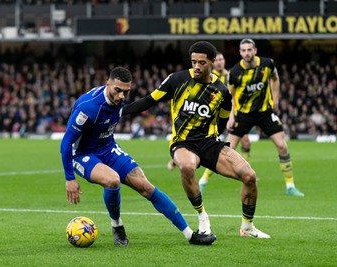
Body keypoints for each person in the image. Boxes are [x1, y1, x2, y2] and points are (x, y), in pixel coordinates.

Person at [123, 41, 270, 238]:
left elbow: (223, 121)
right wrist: (119, 111)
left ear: (212, 62)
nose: (197, 67)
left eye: (202, 62)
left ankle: (248, 227)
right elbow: (149, 101)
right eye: (194, 62)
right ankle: (202, 216)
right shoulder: (177, 80)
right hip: (183, 142)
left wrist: (215, 142)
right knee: (187, 167)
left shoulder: (222, 91)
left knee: (250, 176)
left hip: (209, 143)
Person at [60, 66, 216, 247]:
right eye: (117, 90)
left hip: (109, 148)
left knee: (146, 186)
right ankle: (117, 224)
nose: (121, 96)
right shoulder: (88, 106)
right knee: (112, 180)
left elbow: (145, 102)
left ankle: (190, 235)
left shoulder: (120, 102)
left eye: (125, 92)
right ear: (107, 84)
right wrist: (69, 178)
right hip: (82, 154)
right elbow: (66, 143)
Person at [226, 38, 304, 197]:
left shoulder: (268, 64)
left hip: (265, 113)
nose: (247, 53)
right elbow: (231, 97)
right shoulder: (234, 72)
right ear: (240, 53)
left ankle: (290, 186)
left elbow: (275, 79)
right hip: (244, 114)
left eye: (249, 50)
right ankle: (203, 181)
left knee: (282, 146)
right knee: (226, 149)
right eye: (243, 51)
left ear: (255, 50)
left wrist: (275, 99)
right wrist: (231, 117)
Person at [167, 52, 252, 194]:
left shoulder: (229, 76)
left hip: (228, 114)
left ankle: (240, 171)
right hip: (210, 119)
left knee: (244, 143)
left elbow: (232, 97)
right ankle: (203, 177)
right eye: (217, 59)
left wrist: (233, 115)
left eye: (221, 59)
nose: (219, 62)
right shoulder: (205, 79)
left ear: (223, 61)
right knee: (225, 148)